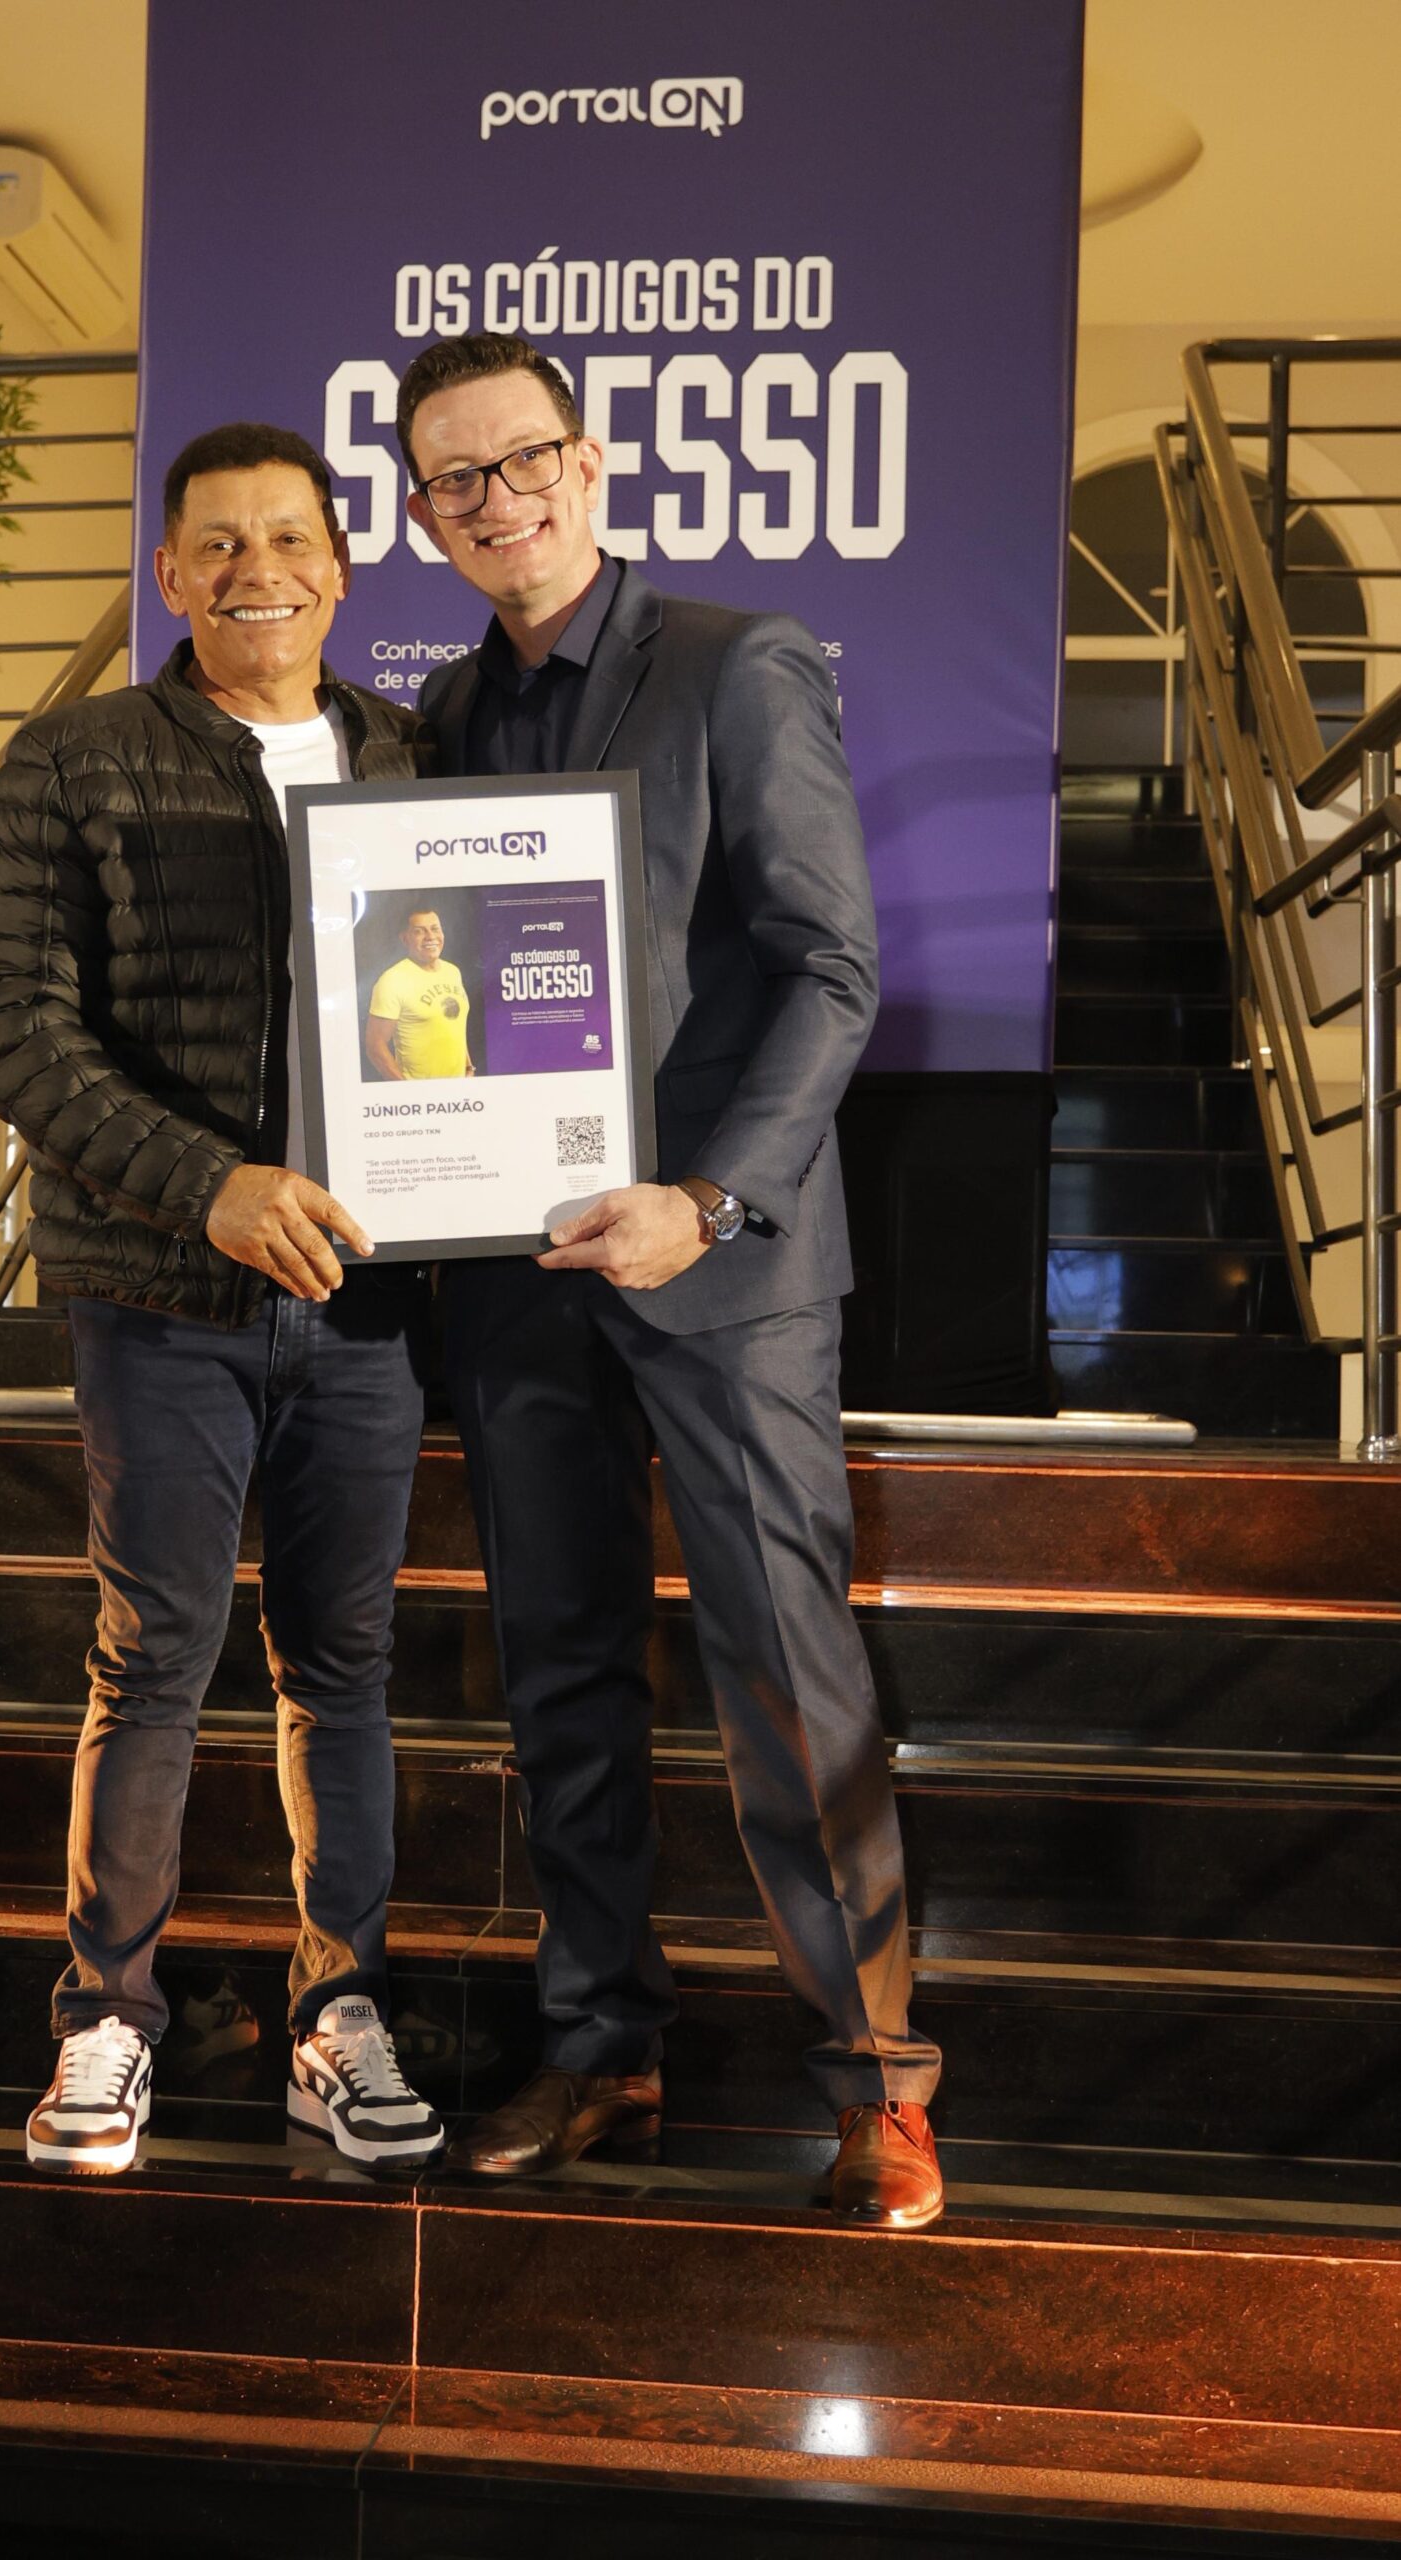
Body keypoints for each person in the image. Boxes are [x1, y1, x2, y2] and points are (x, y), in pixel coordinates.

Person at [399, 333, 944, 2228]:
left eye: (521, 458)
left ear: (588, 463)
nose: (496, 499)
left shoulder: (734, 662)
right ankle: (600, 2047)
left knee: (784, 1669)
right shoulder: (439, 717)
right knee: (558, 1667)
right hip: (516, 1274)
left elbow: (830, 969)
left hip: (718, 1267)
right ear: (425, 515)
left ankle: (874, 2080)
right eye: (454, 478)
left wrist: (706, 1201)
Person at [0, 422, 444, 2176]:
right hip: (157, 1291)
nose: (258, 571)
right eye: (219, 545)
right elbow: (16, 1031)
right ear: (168, 575)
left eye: (288, 538)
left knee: (345, 1664)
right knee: (153, 1656)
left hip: (368, 1297)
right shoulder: (77, 756)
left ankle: (340, 2011)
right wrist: (210, 1187)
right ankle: (106, 2016)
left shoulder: (412, 760)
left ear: (340, 565)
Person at [365, 907, 474, 1080]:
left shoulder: (452, 972)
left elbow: (454, 1028)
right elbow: (375, 1047)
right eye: (419, 931)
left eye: (435, 929)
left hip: (460, 1089)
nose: (430, 937)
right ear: (405, 938)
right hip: (420, 1092)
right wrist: (409, 1090)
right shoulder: (392, 980)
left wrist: (469, 1067)